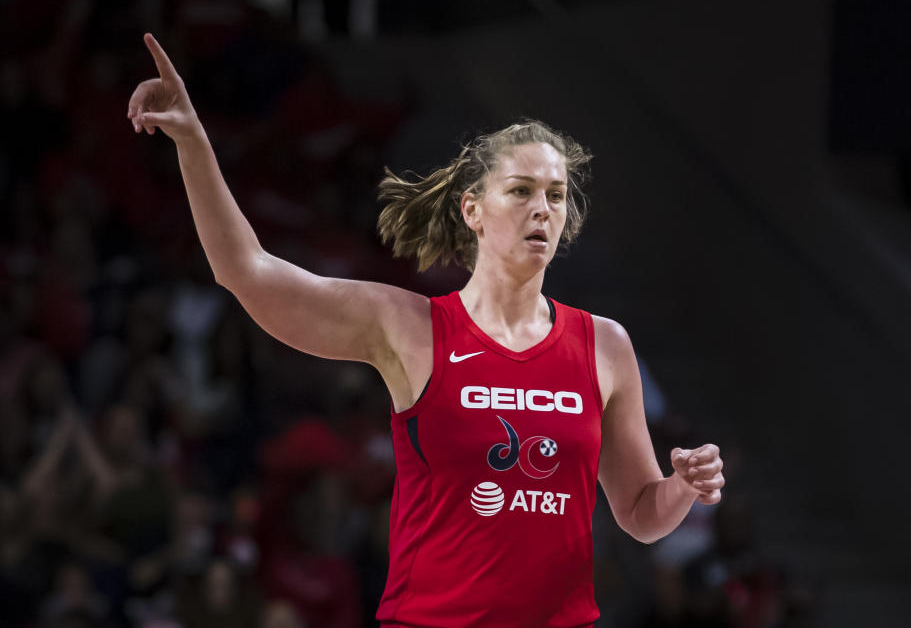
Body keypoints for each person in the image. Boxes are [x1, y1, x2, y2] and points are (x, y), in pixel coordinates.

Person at [127, 32, 726, 627]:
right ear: (472, 210)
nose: (541, 208)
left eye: (555, 195)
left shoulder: (605, 345)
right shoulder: (410, 326)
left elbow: (641, 515)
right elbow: (247, 273)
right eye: (520, 192)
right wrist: (192, 141)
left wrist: (679, 487)